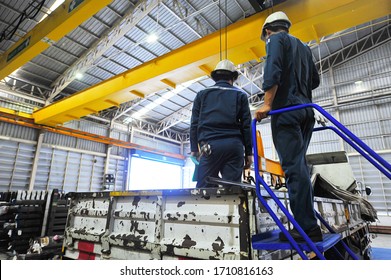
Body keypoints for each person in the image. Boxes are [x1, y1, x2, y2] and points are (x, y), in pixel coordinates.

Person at [254, 11, 322, 242]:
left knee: (293, 169)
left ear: (267, 31)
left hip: (287, 111)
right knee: (300, 166)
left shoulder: (275, 40)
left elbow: (273, 70)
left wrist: (267, 104)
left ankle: (306, 228)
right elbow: (315, 80)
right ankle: (308, 222)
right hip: (306, 111)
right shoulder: (304, 47)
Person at [190, 59, 253, 188]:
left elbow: (194, 124)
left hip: (209, 147)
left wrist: (193, 149)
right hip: (234, 147)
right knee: (232, 190)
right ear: (233, 77)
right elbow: (246, 126)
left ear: (215, 77)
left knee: (205, 190)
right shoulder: (240, 95)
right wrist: (249, 153)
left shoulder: (202, 94)